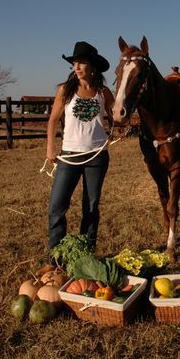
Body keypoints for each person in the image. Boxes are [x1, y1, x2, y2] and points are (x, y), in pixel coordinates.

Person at [46, 41, 114, 262]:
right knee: (57, 206)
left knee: (91, 206)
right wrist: (50, 147)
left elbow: (116, 116)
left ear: (92, 66)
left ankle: (86, 255)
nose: (76, 66)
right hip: (69, 156)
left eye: (81, 62)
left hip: (97, 156)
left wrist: (115, 130)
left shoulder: (103, 92)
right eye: (74, 62)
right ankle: (56, 257)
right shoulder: (65, 90)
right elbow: (53, 120)